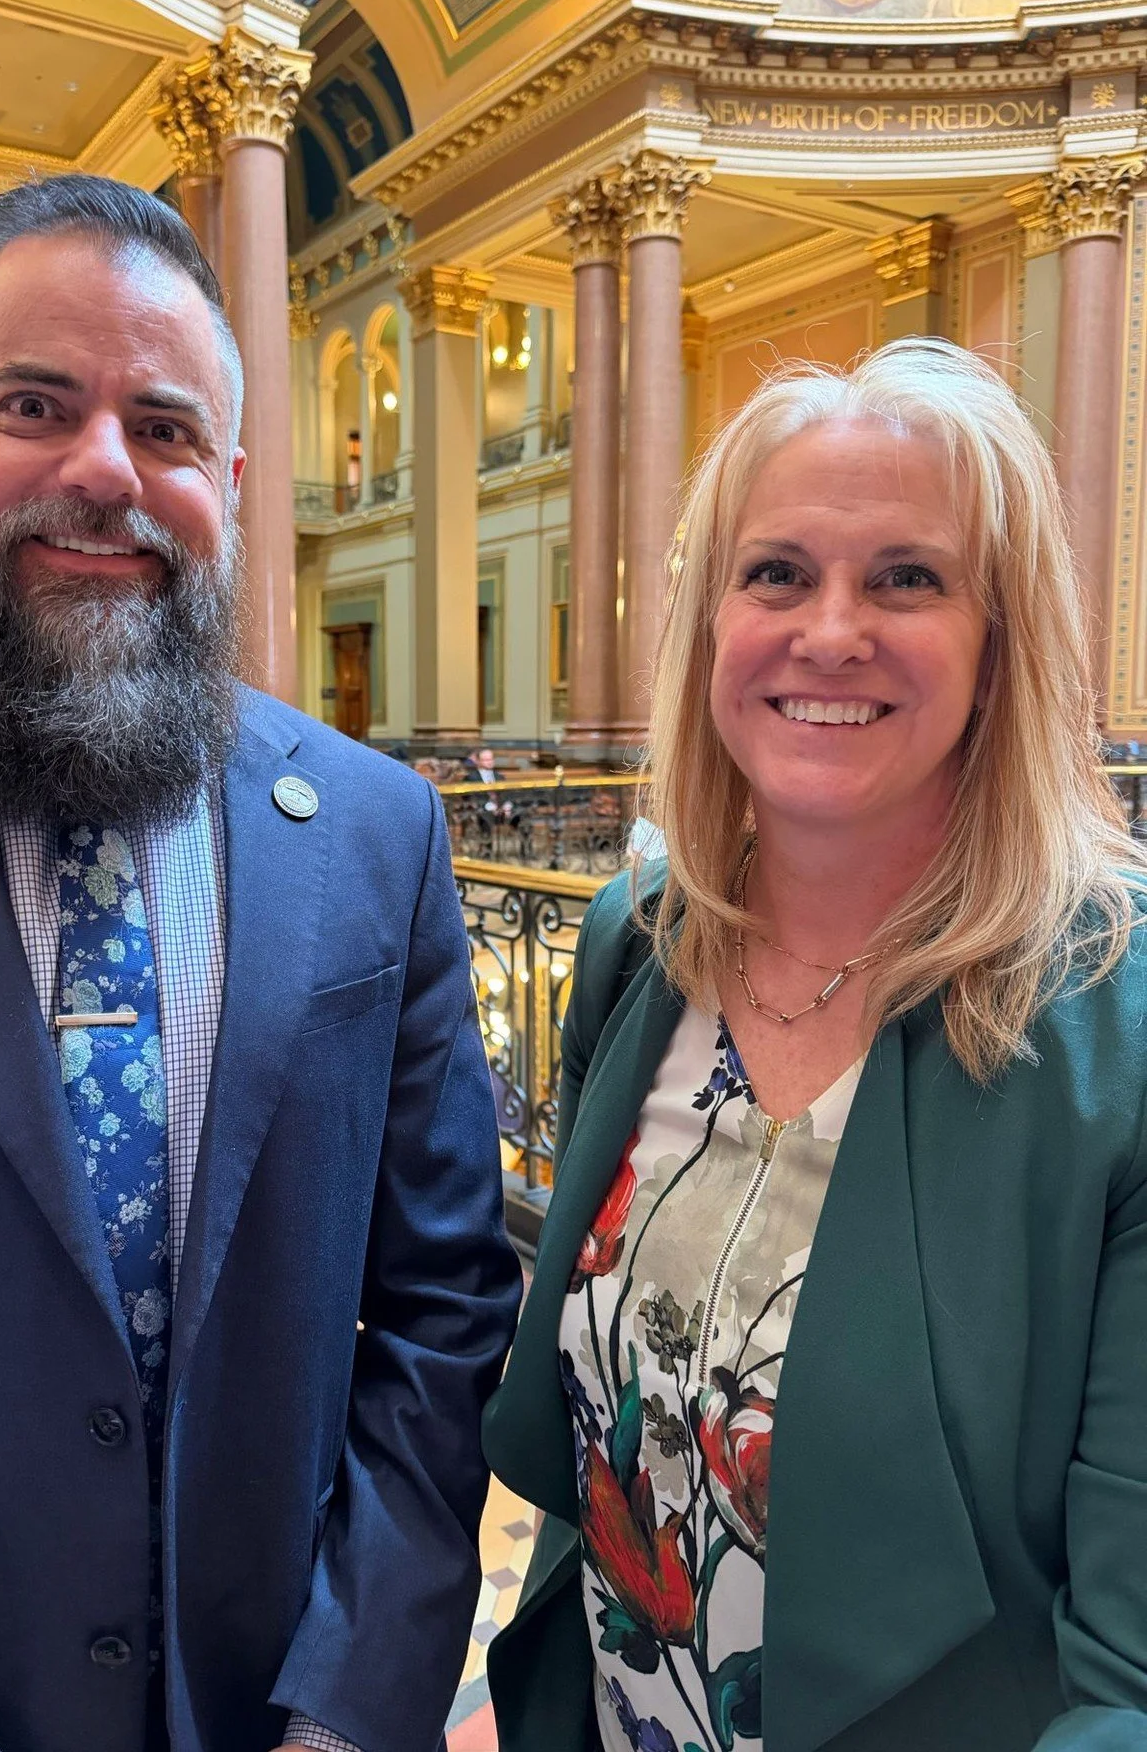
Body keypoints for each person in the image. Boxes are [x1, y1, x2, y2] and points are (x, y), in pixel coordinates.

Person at [0, 175, 520, 1752]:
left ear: (230, 480)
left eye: (162, 427)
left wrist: (349, 1708)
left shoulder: (378, 834)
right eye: (34, 405)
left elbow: (442, 1315)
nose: (102, 469)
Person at [483, 339, 1147, 1751]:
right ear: (710, 629)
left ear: (1001, 646)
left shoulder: (1117, 1033)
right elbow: (600, 1456)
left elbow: (1131, 1672)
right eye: (776, 573)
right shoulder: (639, 944)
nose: (831, 631)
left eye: (907, 579)